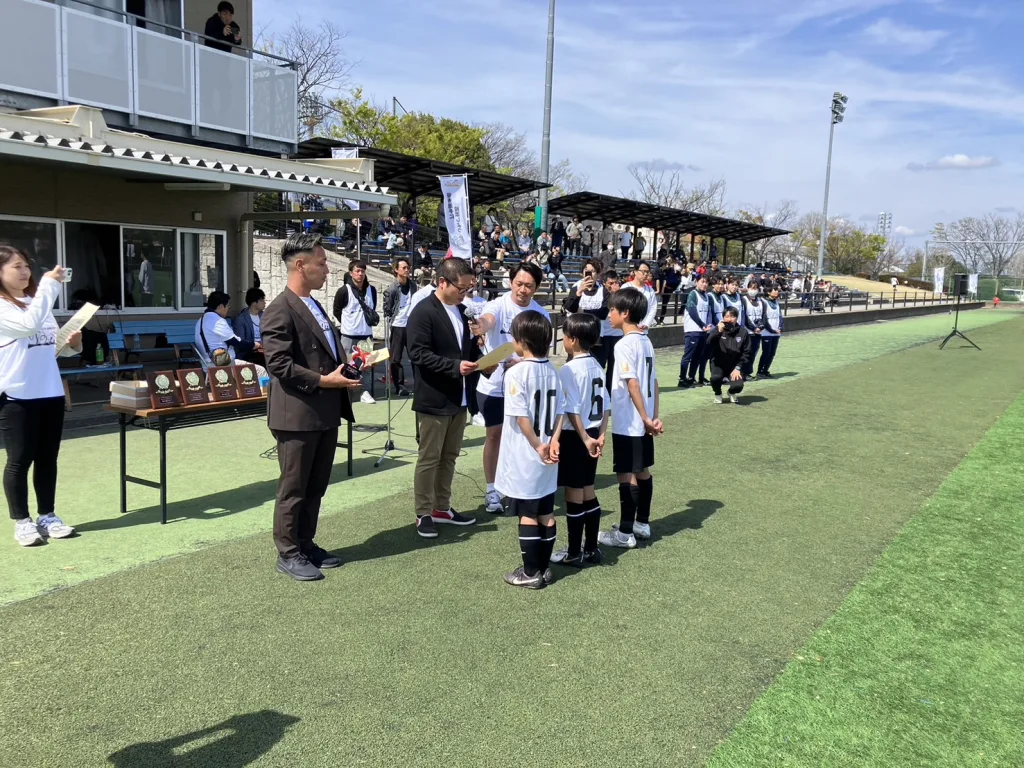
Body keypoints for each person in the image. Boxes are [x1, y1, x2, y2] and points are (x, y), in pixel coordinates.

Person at [261, 234, 360, 581]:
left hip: (324, 411)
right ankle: (288, 552)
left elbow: (326, 353)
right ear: (301, 266)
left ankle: (305, 543)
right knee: (294, 488)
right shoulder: (279, 308)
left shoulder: (314, 305)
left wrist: (350, 366)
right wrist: (323, 381)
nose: (328, 270)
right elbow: (278, 364)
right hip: (297, 414)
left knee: (316, 485)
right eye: (322, 262)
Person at [0, 249, 81, 547]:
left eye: (26, 266)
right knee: (19, 460)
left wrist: (74, 344)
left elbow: (53, 346)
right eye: (16, 266)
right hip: (17, 395)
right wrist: (49, 284)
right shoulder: (4, 306)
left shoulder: (37, 302)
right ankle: (22, 522)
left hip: (50, 392)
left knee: (47, 458)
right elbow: (27, 326)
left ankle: (47, 515)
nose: (25, 272)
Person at [406, 257, 480, 539]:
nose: (465, 294)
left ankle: (442, 507)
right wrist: (454, 366)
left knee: (449, 456)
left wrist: (483, 361)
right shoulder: (423, 311)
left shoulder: (462, 311)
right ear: (442, 282)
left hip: (459, 397)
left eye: (469, 289)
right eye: (461, 288)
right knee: (429, 457)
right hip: (434, 396)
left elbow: (466, 350)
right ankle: (423, 512)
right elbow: (418, 354)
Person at [469, 262, 549, 514]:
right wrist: (481, 326)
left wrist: (522, 362)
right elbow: (487, 320)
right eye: (519, 284)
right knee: (495, 435)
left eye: (529, 286)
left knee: (524, 437)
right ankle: (492, 489)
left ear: (536, 287)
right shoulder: (498, 305)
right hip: (494, 386)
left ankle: (519, 486)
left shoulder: (541, 315)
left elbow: (543, 352)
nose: (523, 290)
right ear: (510, 282)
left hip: (527, 386)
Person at [496, 310, 564, 589]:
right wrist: (554, 441)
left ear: (522, 341)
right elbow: (560, 413)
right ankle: (544, 568)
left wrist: (538, 445)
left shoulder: (516, 373)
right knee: (546, 510)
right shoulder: (553, 371)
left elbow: (521, 416)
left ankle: (530, 572)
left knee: (528, 512)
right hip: (549, 453)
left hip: (528, 454)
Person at [599, 289, 662, 550]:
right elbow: (654, 383)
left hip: (629, 420)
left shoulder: (624, 344)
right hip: (644, 420)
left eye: (612, 310)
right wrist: (654, 417)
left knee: (626, 474)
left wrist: (646, 417)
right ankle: (641, 523)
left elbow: (632, 383)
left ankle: (625, 532)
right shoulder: (646, 341)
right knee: (642, 470)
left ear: (625, 313)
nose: (609, 314)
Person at [550, 314, 608, 567]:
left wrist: (584, 438)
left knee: (574, 493)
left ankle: (574, 552)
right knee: (587, 488)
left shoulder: (569, 369)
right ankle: (591, 548)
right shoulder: (597, 365)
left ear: (572, 339)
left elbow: (570, 409)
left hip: (577, 437)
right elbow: (606, 405)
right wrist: (601, 434)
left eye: (564, 336)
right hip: (593, 433)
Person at [332, 260, 379, 405]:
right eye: (357, 271)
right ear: (351, 273)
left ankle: (365, 392)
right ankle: (346, 392)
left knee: (366, 365)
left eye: (363, 271)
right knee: (348, 365)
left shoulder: (372, 290)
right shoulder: (343, 291)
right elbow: (337, 310)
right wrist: (348, 324)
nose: (360, 274)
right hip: (348, 335)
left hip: (366, 335)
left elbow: (372, 308)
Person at [382, 256, 413, 397]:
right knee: (396, 357)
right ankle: (399, 385)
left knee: (416, 354)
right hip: (398, 325)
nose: (407, 270)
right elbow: (387, 308)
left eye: (408, 268)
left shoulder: (413, 286)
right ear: (396, 270)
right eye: (404, 268)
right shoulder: (392, 288)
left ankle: (420, 383)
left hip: (412, 325)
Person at [707, 308, 751, 404]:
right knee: (715, 378)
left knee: (738, 386)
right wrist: (718, 331)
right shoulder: (718, 329)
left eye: (732, 316)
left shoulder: (743, 332)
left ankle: (731, 392)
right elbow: (709, 342)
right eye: (727, 316)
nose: (729, 319)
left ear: (737, 318)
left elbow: (746, 352)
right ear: (723, 318)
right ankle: (718, 393)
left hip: (734, 365)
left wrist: (738, 368)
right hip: (718, 363)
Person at [677, 274, 713, 388]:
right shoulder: (693, 294)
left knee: (697, 356)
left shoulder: (706, 296)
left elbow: (708, 312)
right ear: (696, 282)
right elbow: (692, 311)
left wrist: (707, 325)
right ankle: (682, 379)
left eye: (706, 282)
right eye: (702, 281)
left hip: (703, 332)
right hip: (692, 330)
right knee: (688, 356)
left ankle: (691, 378)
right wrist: (702, 325)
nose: (704, 284)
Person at [195, 291, 240, 369]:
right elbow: (235, 341)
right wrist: (253, 345)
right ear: (221, 306)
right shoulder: (217, 320)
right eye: (228, 306)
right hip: (222, 366)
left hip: (207, 365)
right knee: (260, 370)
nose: (228, 309)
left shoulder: (201, 320)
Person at [231, 287, 266, 367]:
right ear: (254, 302)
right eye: (262, 300)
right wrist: (256, 345)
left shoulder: (264, 316)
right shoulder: (241, 319)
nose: (265, 302)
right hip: (249, 354)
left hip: (264, 351)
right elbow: (241, 342)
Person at [598, 270, 622, 377]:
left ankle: (611, 386)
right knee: (600, 364)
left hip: (617, 334)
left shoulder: (621, 295)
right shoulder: (600, 294)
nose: (613, 286)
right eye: (610, 283)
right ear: (604, 283)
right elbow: (603, 313)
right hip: (603, 334)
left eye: (615, 282)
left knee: (614, 366)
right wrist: (610, 295)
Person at [622, 261, 658, 332]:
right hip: (626, 330)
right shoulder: (625, 287)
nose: (645, 274)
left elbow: (653, 308)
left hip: (642, 330)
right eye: (643, 271)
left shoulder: (650, 290)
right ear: (635, 271)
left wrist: (646, 324)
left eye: (647, 272)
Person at [757, 284, 783, 378]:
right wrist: (771, 330)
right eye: (774, 290)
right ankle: (760, 372)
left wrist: (780, 327)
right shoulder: (763, 302)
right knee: (766, 352)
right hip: (767, 332)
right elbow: (764, 319)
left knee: (772, 353)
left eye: (777, 290)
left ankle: (765, 370)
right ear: (768, 292)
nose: (777, 292)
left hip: (776, 332)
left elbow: (780, 316)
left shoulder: (776, 302)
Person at [741, 280, 764, 379]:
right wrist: (753, 328)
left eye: (755, 288)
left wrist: (760, 327)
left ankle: (748, 372)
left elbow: (763, 315)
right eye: (751, 287)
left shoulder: (760, 301)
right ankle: (742, 372)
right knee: (746, 353)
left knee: (754, 352)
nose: (753, 290)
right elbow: (744, 317)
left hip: (758, 332)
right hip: (747, 331)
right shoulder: (743, 300)